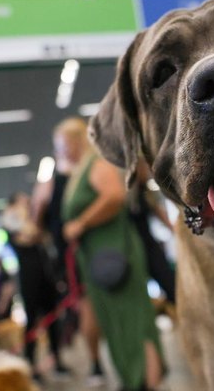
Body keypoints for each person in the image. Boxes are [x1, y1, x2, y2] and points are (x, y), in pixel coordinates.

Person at [57, 117, 164, 391]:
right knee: (115, 322)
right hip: (97, 258)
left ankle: (146, 381)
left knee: (134, 319)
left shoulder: (97, 163)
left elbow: (114, 197)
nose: (61, 150)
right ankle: (134, 379)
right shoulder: (79, 171)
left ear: (76, 140)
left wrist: (81, 223)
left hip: (115, 252)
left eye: (63, 144)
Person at [32, 122, 104, 386]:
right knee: (87, 308)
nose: (62, 150)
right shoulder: (55, 180)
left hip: (98, 249)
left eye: (64, 144)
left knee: (97, 307)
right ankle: (96, 363)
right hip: (75, 256)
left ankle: (100, 364)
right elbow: (38, 223)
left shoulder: (90, 168)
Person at [1, 192, 70, 382]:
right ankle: (30, 365)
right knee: (31, 321)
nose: (27, 202)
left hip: (46, 276)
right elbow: (28, 235)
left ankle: (57, 360)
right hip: (29, 278)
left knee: (53, 320)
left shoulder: (36, 219)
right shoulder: (13, 222)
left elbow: (42, 232)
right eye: (23, 200)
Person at [128, 159, 176, 305]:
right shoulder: (128, 196)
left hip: (149, 244)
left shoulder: (145, 192)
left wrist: (175, 230)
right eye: (145, 168)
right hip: (133, 247)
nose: (148, 171)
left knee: (168, 280)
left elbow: (158, 212)